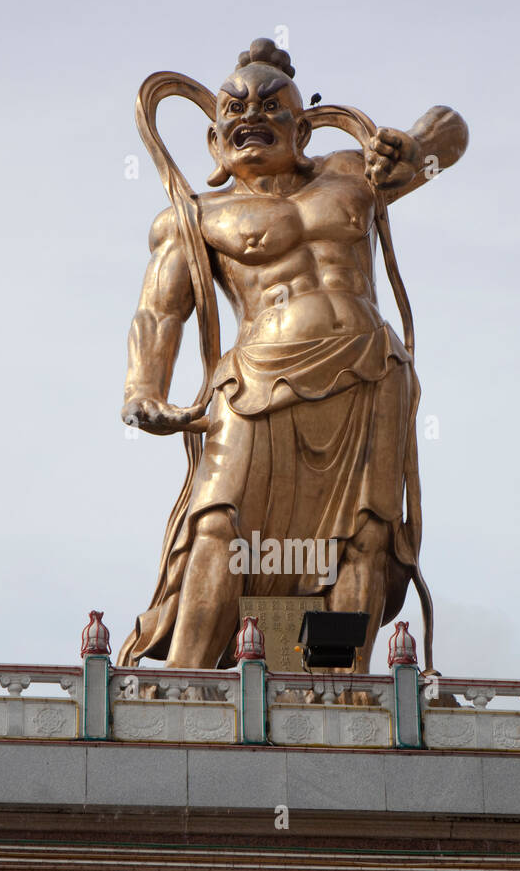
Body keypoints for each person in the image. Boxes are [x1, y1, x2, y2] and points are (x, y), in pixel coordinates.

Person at [119, 37, 468, 671]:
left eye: (270, 105)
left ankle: (339, 684)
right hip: (254, 387)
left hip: (368, 371)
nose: (251, 115)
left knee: (362, 538)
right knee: (218, 527)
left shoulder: (353, 176)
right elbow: (160, 310)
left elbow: (452, 133)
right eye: (234, 107)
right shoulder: (193, 217)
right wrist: (142, 391)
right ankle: (185, 683)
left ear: (302, 126)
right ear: (213, 140)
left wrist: (415, 146)